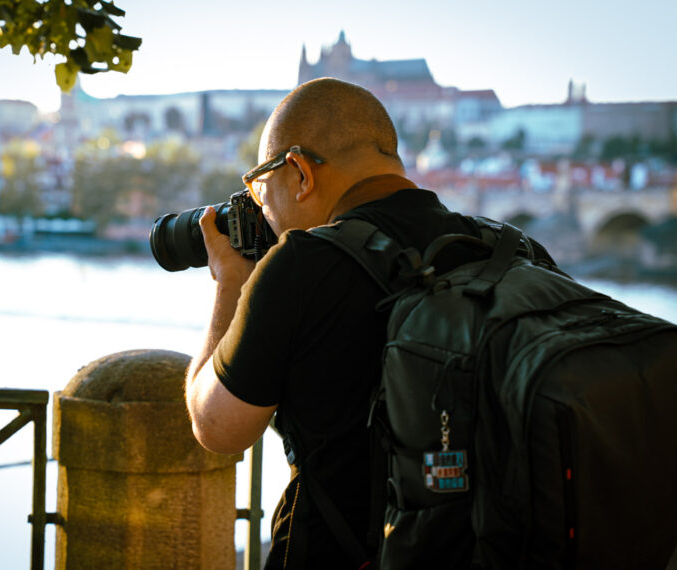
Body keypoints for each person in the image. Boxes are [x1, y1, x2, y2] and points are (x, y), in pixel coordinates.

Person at [185, 77, 514, 568]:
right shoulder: (506, 250)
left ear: (299, 172)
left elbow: (215, 426)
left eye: (258, 187)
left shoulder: (300, 265)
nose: (260, 208)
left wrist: (230, 281)